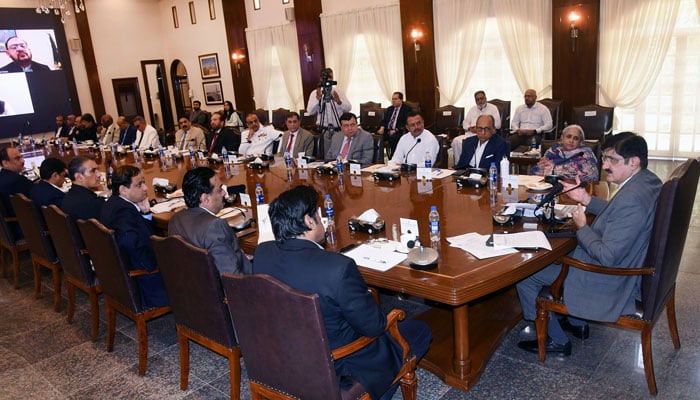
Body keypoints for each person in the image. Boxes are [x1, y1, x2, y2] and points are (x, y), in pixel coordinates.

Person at [254, 185, 432, 400]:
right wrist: (363, 295)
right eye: (318, 214)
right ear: (309, 221)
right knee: (419, 330)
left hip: (284, 354)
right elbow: (374, 326)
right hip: (336, 363)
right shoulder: (338, 268)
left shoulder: (263, 253)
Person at [516, 132, 662, 356]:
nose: (605, 165)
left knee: (526, 274)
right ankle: (575, 321)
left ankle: (555, 339)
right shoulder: (648, 181)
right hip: (625, 261)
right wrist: (585, 199)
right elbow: (620, 216)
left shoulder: (632, 199)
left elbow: (607, 256)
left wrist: (582, 227)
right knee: (557, 253)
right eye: (605, 158)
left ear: (634, 162)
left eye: (613, 160)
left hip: (609, 278)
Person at [100, 165, 169, 308]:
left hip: (119, 276)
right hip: (144, 281)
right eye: (139, 184)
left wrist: (145, 214)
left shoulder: (113, 203)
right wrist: (159, 262)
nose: (145, 188)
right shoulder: (124, 211)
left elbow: (141, 235)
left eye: (144, 182)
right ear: (123, 190)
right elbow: (132, 244)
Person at [168, 167, 252, 275]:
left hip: (192, 288)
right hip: (233, 289)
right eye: (219, 189)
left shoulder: (175, 220)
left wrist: (237, 256)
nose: (224, 193)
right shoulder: (215, 226)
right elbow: (231, 278)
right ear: (205, 199)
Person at [306, 68, 351, 156]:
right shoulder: (315, 93)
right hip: (323, 131)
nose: (328, 80)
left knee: (340, 155)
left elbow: (348, 108)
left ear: (333, 78)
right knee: (326, 157)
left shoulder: (339, 91)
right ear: (320, 79)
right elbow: (310, 112)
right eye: (325, 77)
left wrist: (339, 101)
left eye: (330, 77)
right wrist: (318, 99)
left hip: (338, 130)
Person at [531, 124, 599, 182]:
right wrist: (541, 168)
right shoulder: (553, 151)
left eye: (576, 138)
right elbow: (538, 169)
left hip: (576, 189)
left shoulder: (585, 154)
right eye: (568, 136)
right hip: (550, 185)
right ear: (562, 138)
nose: (571, 141)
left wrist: (554, 170)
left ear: (580, 142)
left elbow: (592, 175)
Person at [452, 90, 501, 163]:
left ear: (486, 98)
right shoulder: (472, 109)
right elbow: (465, 123)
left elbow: (498, 124)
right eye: (477, 99)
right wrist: (470, 128)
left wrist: (482, 128)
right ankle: (459, 164)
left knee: (475, 142)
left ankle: (475, 163)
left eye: (482, 98)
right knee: (456, 141)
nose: (480, 101)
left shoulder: (493, 108)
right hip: (471, 134)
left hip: (485, 134)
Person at [0, 147, 32, 238]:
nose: (23, 161)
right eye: (17, 158)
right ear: (5, 163)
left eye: (21, 157)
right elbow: (37, 195)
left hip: (6, 229)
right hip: (22, 228)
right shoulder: (17, 180)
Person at [61, 155, 105, 221]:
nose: (99, 174)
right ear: (79, 177)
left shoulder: (67, 197)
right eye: (93, 171)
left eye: (97, 170)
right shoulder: (93, 203)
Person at [377, 92, 411, 156]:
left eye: (395, 99)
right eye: (392, 99)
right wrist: (382, 127)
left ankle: (394, 157)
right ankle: (379, 158)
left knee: (393, 138)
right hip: (387, 131)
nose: (393, 101)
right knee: (377, 137)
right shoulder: (389, 109)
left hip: (399, 131)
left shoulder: (406, 109)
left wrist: (395, 130)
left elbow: (406, 123)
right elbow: (384, 120)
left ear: (401, 100)